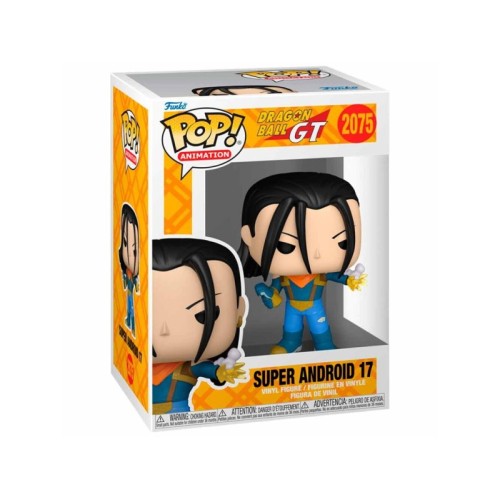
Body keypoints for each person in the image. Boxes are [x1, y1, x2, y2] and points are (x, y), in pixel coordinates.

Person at [239, 172, 366, 354]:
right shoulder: (281, 276)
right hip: (292, 307)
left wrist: (351, 280)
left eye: (342, 242)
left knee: (320, 328)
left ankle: (324, 344)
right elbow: (275, 300)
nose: (316, 255)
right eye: (286, 245)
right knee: (291, 328)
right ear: (248, 237)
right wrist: (266, 293)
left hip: (315, 307)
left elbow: (338, 277)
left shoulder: (322, 273)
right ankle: (291, 342)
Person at [152, 238, 247, 414]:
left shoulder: (188, 367)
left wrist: (221, 373)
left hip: (178, 412)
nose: (164, 330)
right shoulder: (138, 365)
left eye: (201, 315)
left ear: (238, 312)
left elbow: (205, 369)